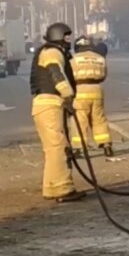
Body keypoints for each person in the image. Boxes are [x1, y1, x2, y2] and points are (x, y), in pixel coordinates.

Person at [30, 22, 86, 202]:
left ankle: (52, 187)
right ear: (58, 36)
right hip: (50, 104)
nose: (69, 40)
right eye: (66, 37)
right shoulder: (52, 52)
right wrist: (67, 94)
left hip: (47, 105)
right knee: (59, 148)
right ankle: (63, 189)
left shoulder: (49, 51)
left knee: (53, 148)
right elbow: (56, 73)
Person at [69, 36, 113, 157]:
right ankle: (106, 145)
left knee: (79, 119)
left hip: (80, 90)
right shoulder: (100, 58)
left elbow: (69, 76)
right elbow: (104, 75)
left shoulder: (73, 59)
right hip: (97, 90)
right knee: (99, 119)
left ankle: (78, 148)